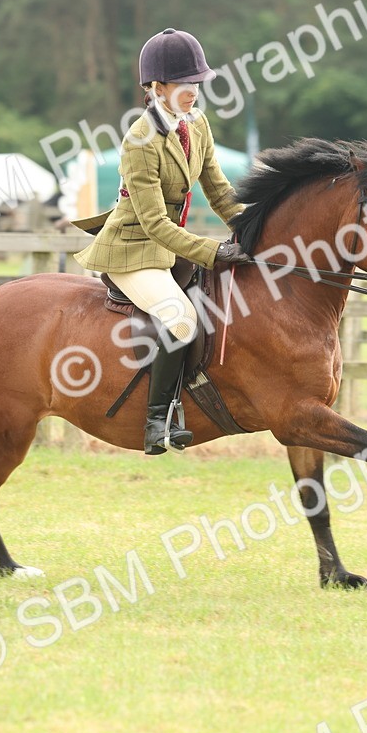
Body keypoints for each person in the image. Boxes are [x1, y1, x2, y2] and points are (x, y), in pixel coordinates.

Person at [73, 28, 252, 455]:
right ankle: (156, 423)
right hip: (134, 249)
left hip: (169, 247)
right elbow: (153, 222)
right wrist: (212, 251)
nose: (194, 91)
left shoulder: (198, 124)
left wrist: (253, 229)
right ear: (157, 88)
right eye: (185, 84)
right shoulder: (140, 140)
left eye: (197, 83)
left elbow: (219, 190)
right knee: (182, 318)